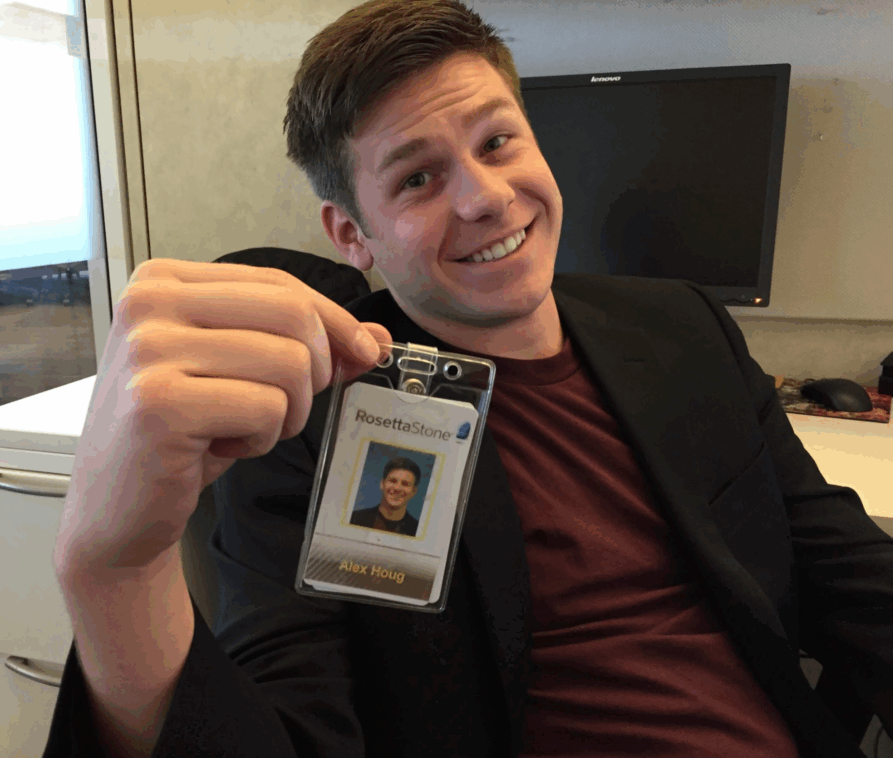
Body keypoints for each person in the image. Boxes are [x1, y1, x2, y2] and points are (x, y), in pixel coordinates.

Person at [44, 1, 893, 757]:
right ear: (352, 234)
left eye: (497, 142)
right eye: (417, 177)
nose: (486, 197)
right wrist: (110, 575)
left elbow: (848, 574)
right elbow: (286, 718)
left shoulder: (682, 325)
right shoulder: (323, 420)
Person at [349, 456, 422, 536]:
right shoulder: (354, 519)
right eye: (392, 481)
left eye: (405, 484)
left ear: (414, 491)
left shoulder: (417, 532)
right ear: (382, 484)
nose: (397, 488)